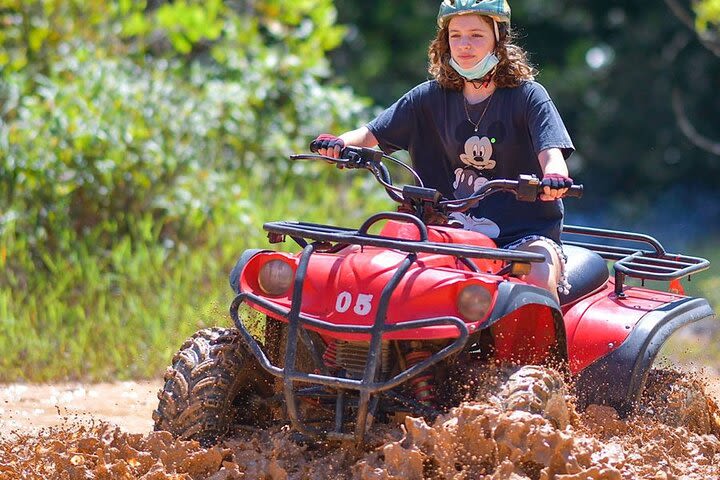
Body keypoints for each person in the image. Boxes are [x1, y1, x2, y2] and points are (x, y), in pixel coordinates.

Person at [313, 0, 575, 302]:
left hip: (519, 237)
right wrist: (339, 143)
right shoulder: (427, 97)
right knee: (357, 265)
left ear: (498, 39)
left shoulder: (528, 95)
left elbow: (551, 151)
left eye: (476, 35)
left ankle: (533, 352)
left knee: (537, 276)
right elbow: (370, 133)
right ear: (444, 41)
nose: (464, 45)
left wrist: (554, 177)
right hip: (441, 232)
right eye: (455, 35)